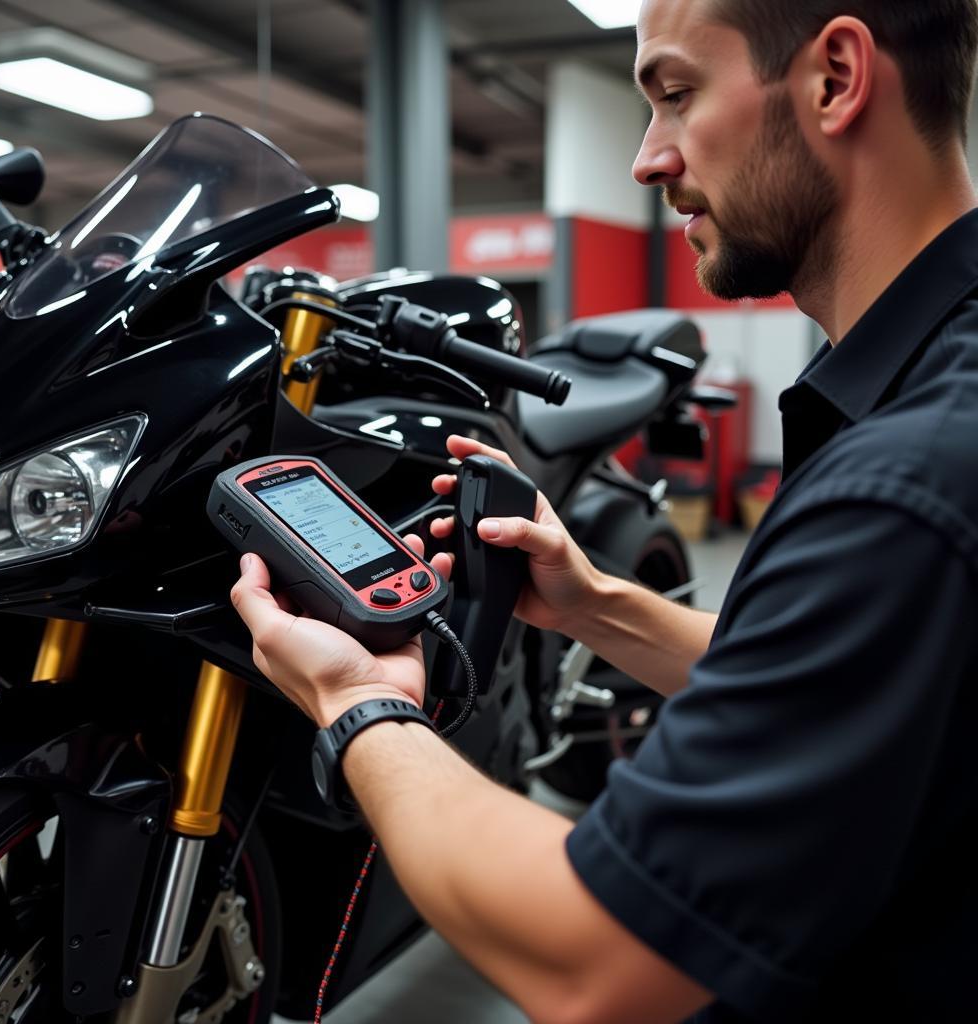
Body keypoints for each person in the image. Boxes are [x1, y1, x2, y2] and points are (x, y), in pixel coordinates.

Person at [231, 1, 978, 1020]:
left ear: (836, 78)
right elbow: (846, 678)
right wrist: (594, 604)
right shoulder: (930, 400)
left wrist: (360, 704)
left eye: (676, 96)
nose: (647, 159)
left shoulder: (907, 477)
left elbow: (600, 959)